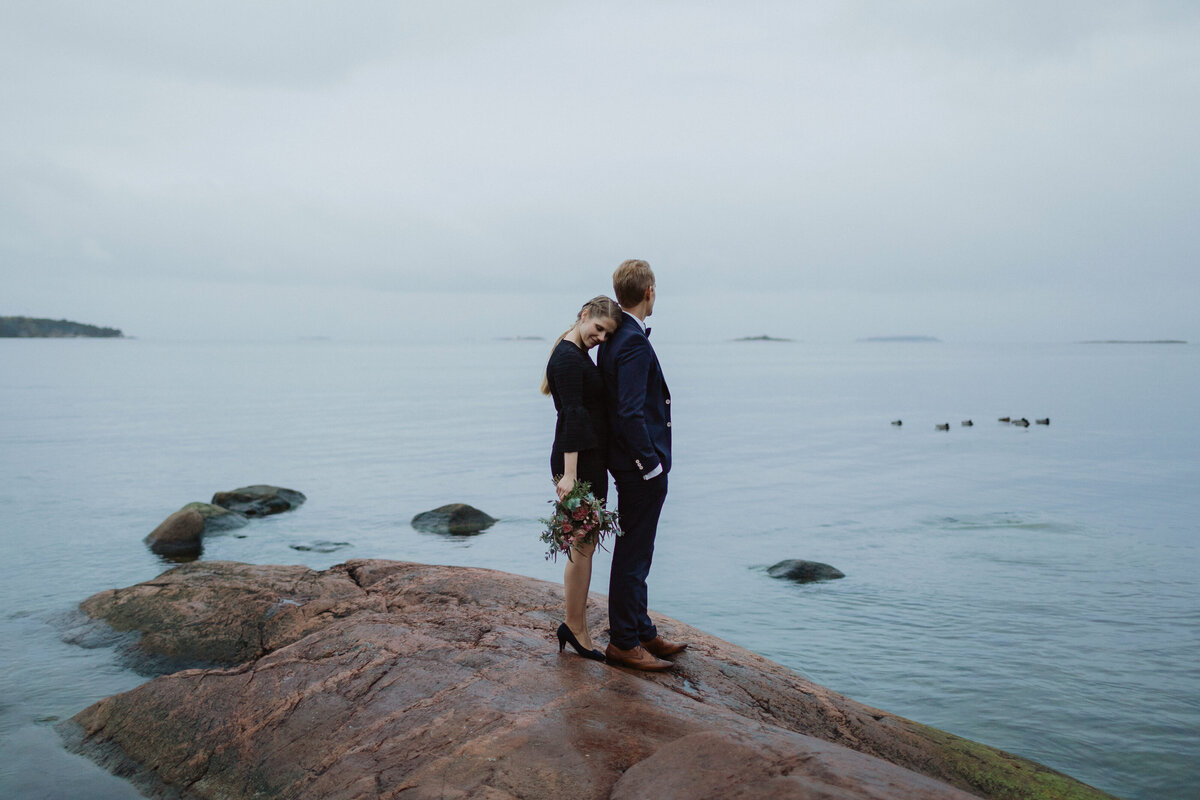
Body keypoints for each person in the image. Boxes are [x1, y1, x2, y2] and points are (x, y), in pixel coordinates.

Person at [597, 259, 686, 671]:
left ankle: (642, 628)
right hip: (639, 468)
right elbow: (630, 413)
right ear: (649, 291)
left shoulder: (619, 337)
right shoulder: (631, 341)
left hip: (630, 464)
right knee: (633, 553)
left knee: (639, 550)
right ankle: (624, 641)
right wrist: (650, 465)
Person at [541, 295, 623, 661]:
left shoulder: (572, 351)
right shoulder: (569, 358)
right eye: (599, 329)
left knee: (582, 544)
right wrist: (571, 476)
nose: (601, 338)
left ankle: (577, 625)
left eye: (607, 335)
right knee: (583, 545)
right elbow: (572, 415)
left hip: (586, 460)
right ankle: (574, 626)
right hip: (580, 464)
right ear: (585, 315)